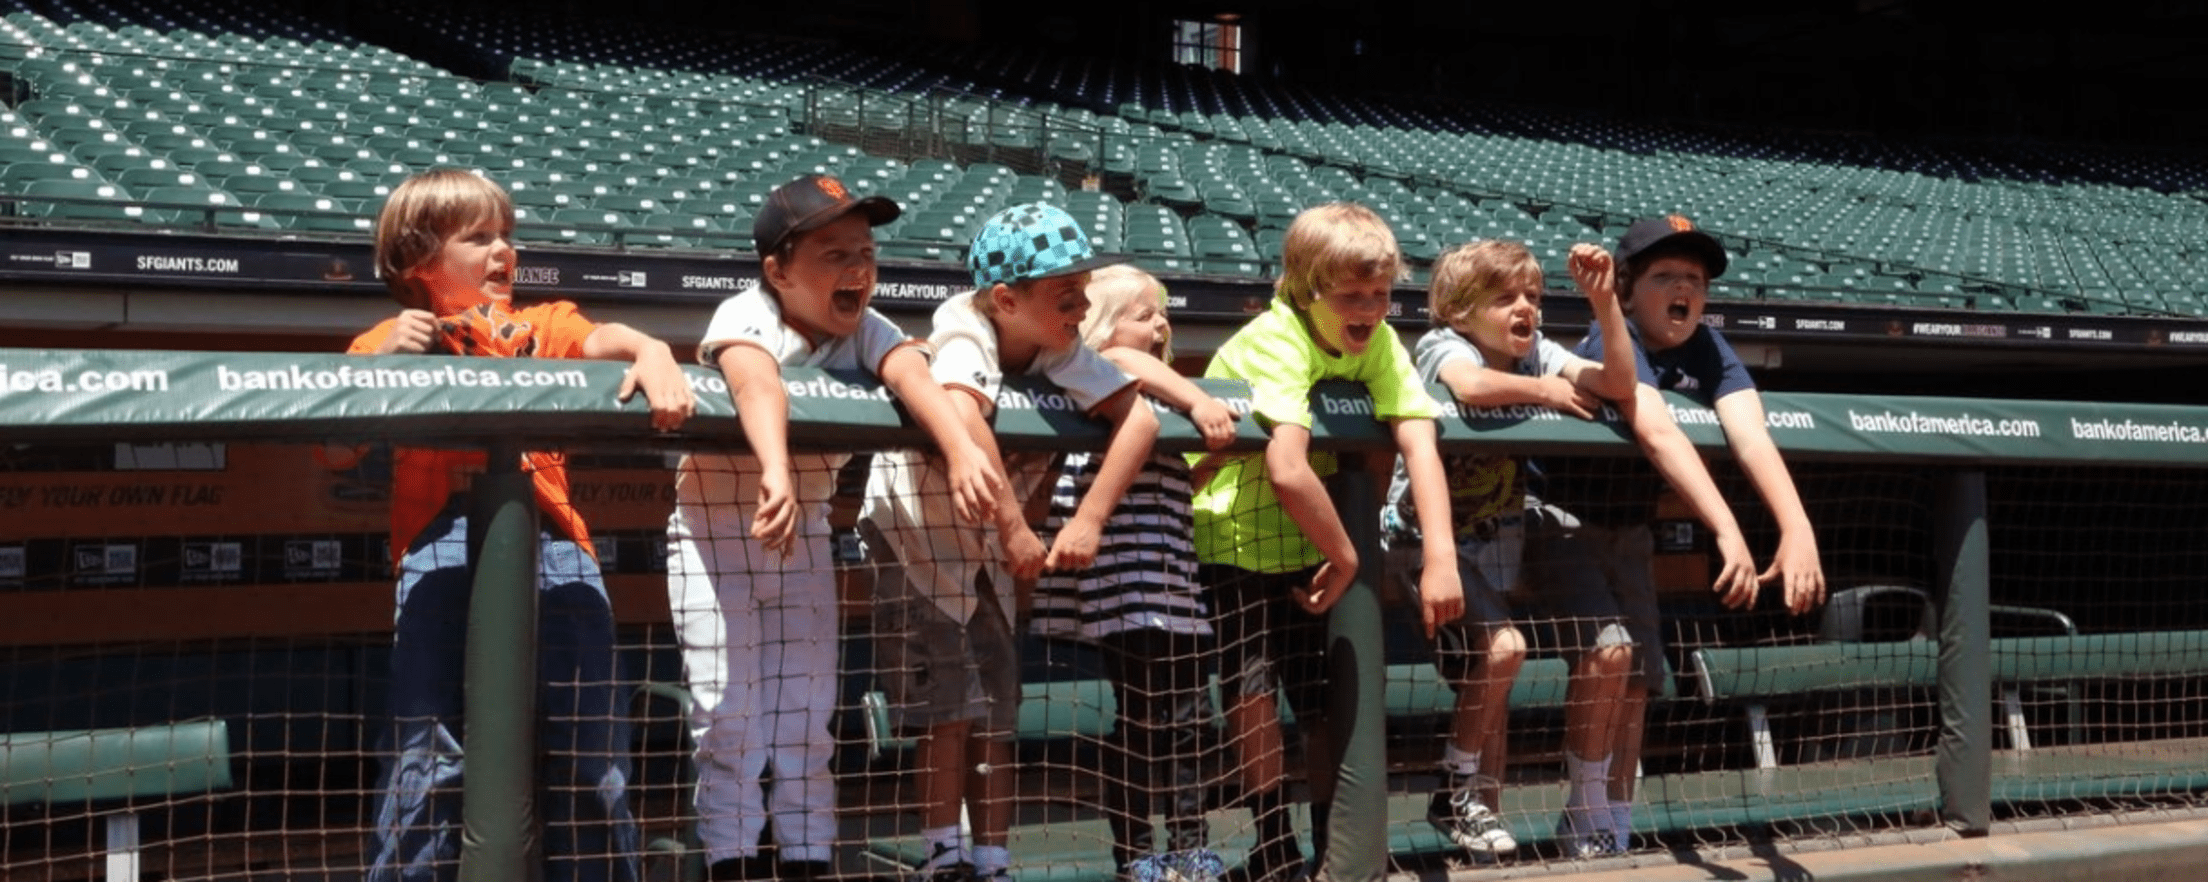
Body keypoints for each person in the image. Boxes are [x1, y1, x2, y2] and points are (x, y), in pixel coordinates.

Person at [349, 167, 695, 882]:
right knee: (430, 760)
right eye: (478, 237)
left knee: (589, 760)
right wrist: (380, 368)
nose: (503, 249)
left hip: (557, 549)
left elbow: (606, 339)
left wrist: (652, 351)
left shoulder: (541, 323)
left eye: (507, 234)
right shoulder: (386, 337)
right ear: (418, 260)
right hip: (438, 548)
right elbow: (333, 446)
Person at [666, 174, 1003, 882]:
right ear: (778, 270)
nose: (857, 269)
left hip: (807, 529)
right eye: (833, 254)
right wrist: (776, 469)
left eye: (866, 252)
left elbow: (914, 374)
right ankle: (731, 862)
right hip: (714, 530)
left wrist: (965, 448)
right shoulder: (747, 309)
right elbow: (755, 380)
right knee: (727, 714)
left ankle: (808, 862)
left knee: (806, 718)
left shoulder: (867, 328)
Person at [1385, 240, 1757, 862]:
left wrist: (1604, 302)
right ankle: (1464, 800)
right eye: (1504, 299)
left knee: (1552, 656)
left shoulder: (1541, 353)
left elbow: (1615, 381)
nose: (1523, 307)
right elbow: (1470, 385)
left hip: (1502, 533)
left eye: (1531, 295)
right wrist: (1549, 395)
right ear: (1456, 309)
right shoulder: (1442, 345)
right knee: (1498, 656)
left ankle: (1506, 811)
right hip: (1421, 540)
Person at [861, 203, 1160, 882]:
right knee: (948, 713)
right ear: (1005, 298)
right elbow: (964, 421)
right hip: (915, 538)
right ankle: (944, 856)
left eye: (1084, 291)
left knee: (996, 710)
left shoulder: (1059, 344)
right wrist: (1018, 528)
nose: (1082, 308)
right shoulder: (963, 328)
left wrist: (1088, 518)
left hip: (985, 552)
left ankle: (992, 861)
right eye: (1065, 295)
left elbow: (1138, 419)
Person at [1189, 202, 1461, 882]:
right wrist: (1348, 557)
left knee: (1319, 698)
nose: (1370, 306)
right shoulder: (1277, 337)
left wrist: (1442, 559)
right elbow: (1285, 467)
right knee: (1251, 691)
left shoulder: (1382, 341)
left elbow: (1419, 441)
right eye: (1352, 294)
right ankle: (1270, 843)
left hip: (1311, 547)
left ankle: (1332, 846)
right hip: (1234, 540)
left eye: (1381, 292)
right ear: (1310, 290)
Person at [1542, 215, 1826, 853]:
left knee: (1640, 677)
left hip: (1630, 527)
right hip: (1562, 520)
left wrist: (1797, 526)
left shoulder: (1708, 345)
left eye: (1695, 279)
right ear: (1625, 289)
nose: (1685, 289)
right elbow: (1657, 428)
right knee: (1608, 657)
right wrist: (1727, 529)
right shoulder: (1605, 341)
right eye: (1665, 275)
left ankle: (1613, 819)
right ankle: (1584, 809)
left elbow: (1749, 431)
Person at [1029, 266, 1239, 882]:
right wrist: (1200, 397)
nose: (1161, 325)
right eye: (1145, 313)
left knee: (1185, 721)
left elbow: (1174, 482)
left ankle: (1186, 847)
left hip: (1173, 582)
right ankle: (1140, 854)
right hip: (1129, 587)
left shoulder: (1156, 399)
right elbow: (1124, 354)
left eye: (1164, 314)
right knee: (1153, 721)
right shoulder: (1111, 374)